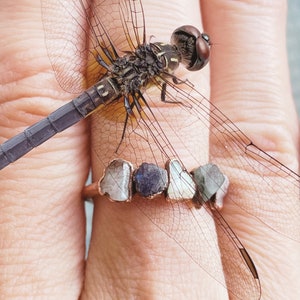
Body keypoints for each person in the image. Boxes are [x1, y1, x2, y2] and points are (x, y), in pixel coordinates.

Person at [0, 0, 299, 298]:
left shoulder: (144, 46)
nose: (199, 40)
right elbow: (166, 101)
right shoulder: (168, 77)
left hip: (107, 82)